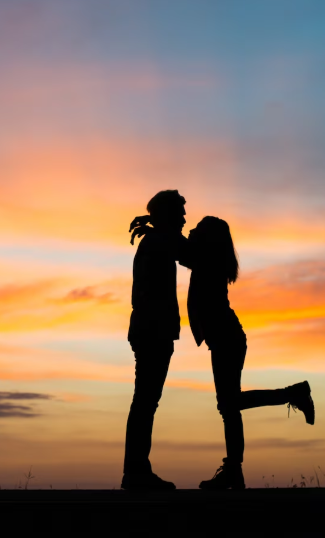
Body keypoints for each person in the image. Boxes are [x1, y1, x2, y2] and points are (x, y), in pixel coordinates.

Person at [184, 216, 315, 490]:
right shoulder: (209, 257)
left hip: (227, 339)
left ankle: (294, 394)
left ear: (210, 238)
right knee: (229, 406)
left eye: (199, 229)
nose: (192, 230)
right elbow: (186, 252)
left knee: (228, 405)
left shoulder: (208, 259)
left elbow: (185, 253)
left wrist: (158, 228)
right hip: (225, 339)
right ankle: (234, 470)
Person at [121, 190, 191, 491]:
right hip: (153, 331)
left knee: (146, 401)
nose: (185, 218)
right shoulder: (160, 241)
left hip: (149, 330)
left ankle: (137, 470)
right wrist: (156, 223)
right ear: (169, 215)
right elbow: (195, 255)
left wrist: (155, 222)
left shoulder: (157, 240)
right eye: (181, 212)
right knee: (146, 401)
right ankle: (136, 472)